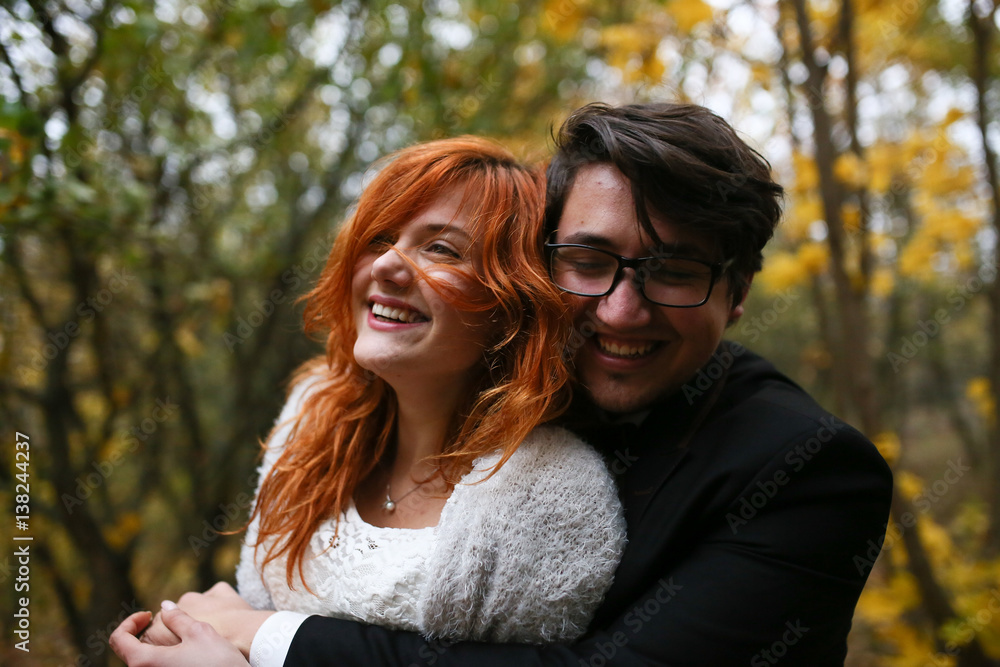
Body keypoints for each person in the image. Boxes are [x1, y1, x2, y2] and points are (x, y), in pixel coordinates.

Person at [113, 102, 893, 666]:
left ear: (739, 289)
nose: (621, 310)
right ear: (535, 267)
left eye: (675, 272)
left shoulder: (806, 469)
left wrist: (266, 639)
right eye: (588, 261)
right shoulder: (447, 385)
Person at [111, 136, 626, 665]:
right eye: (379, 239)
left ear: (510, 305)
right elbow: (240, 612)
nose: (387, 267)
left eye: (441, 249)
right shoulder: (313, 413)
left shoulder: (551, 493)